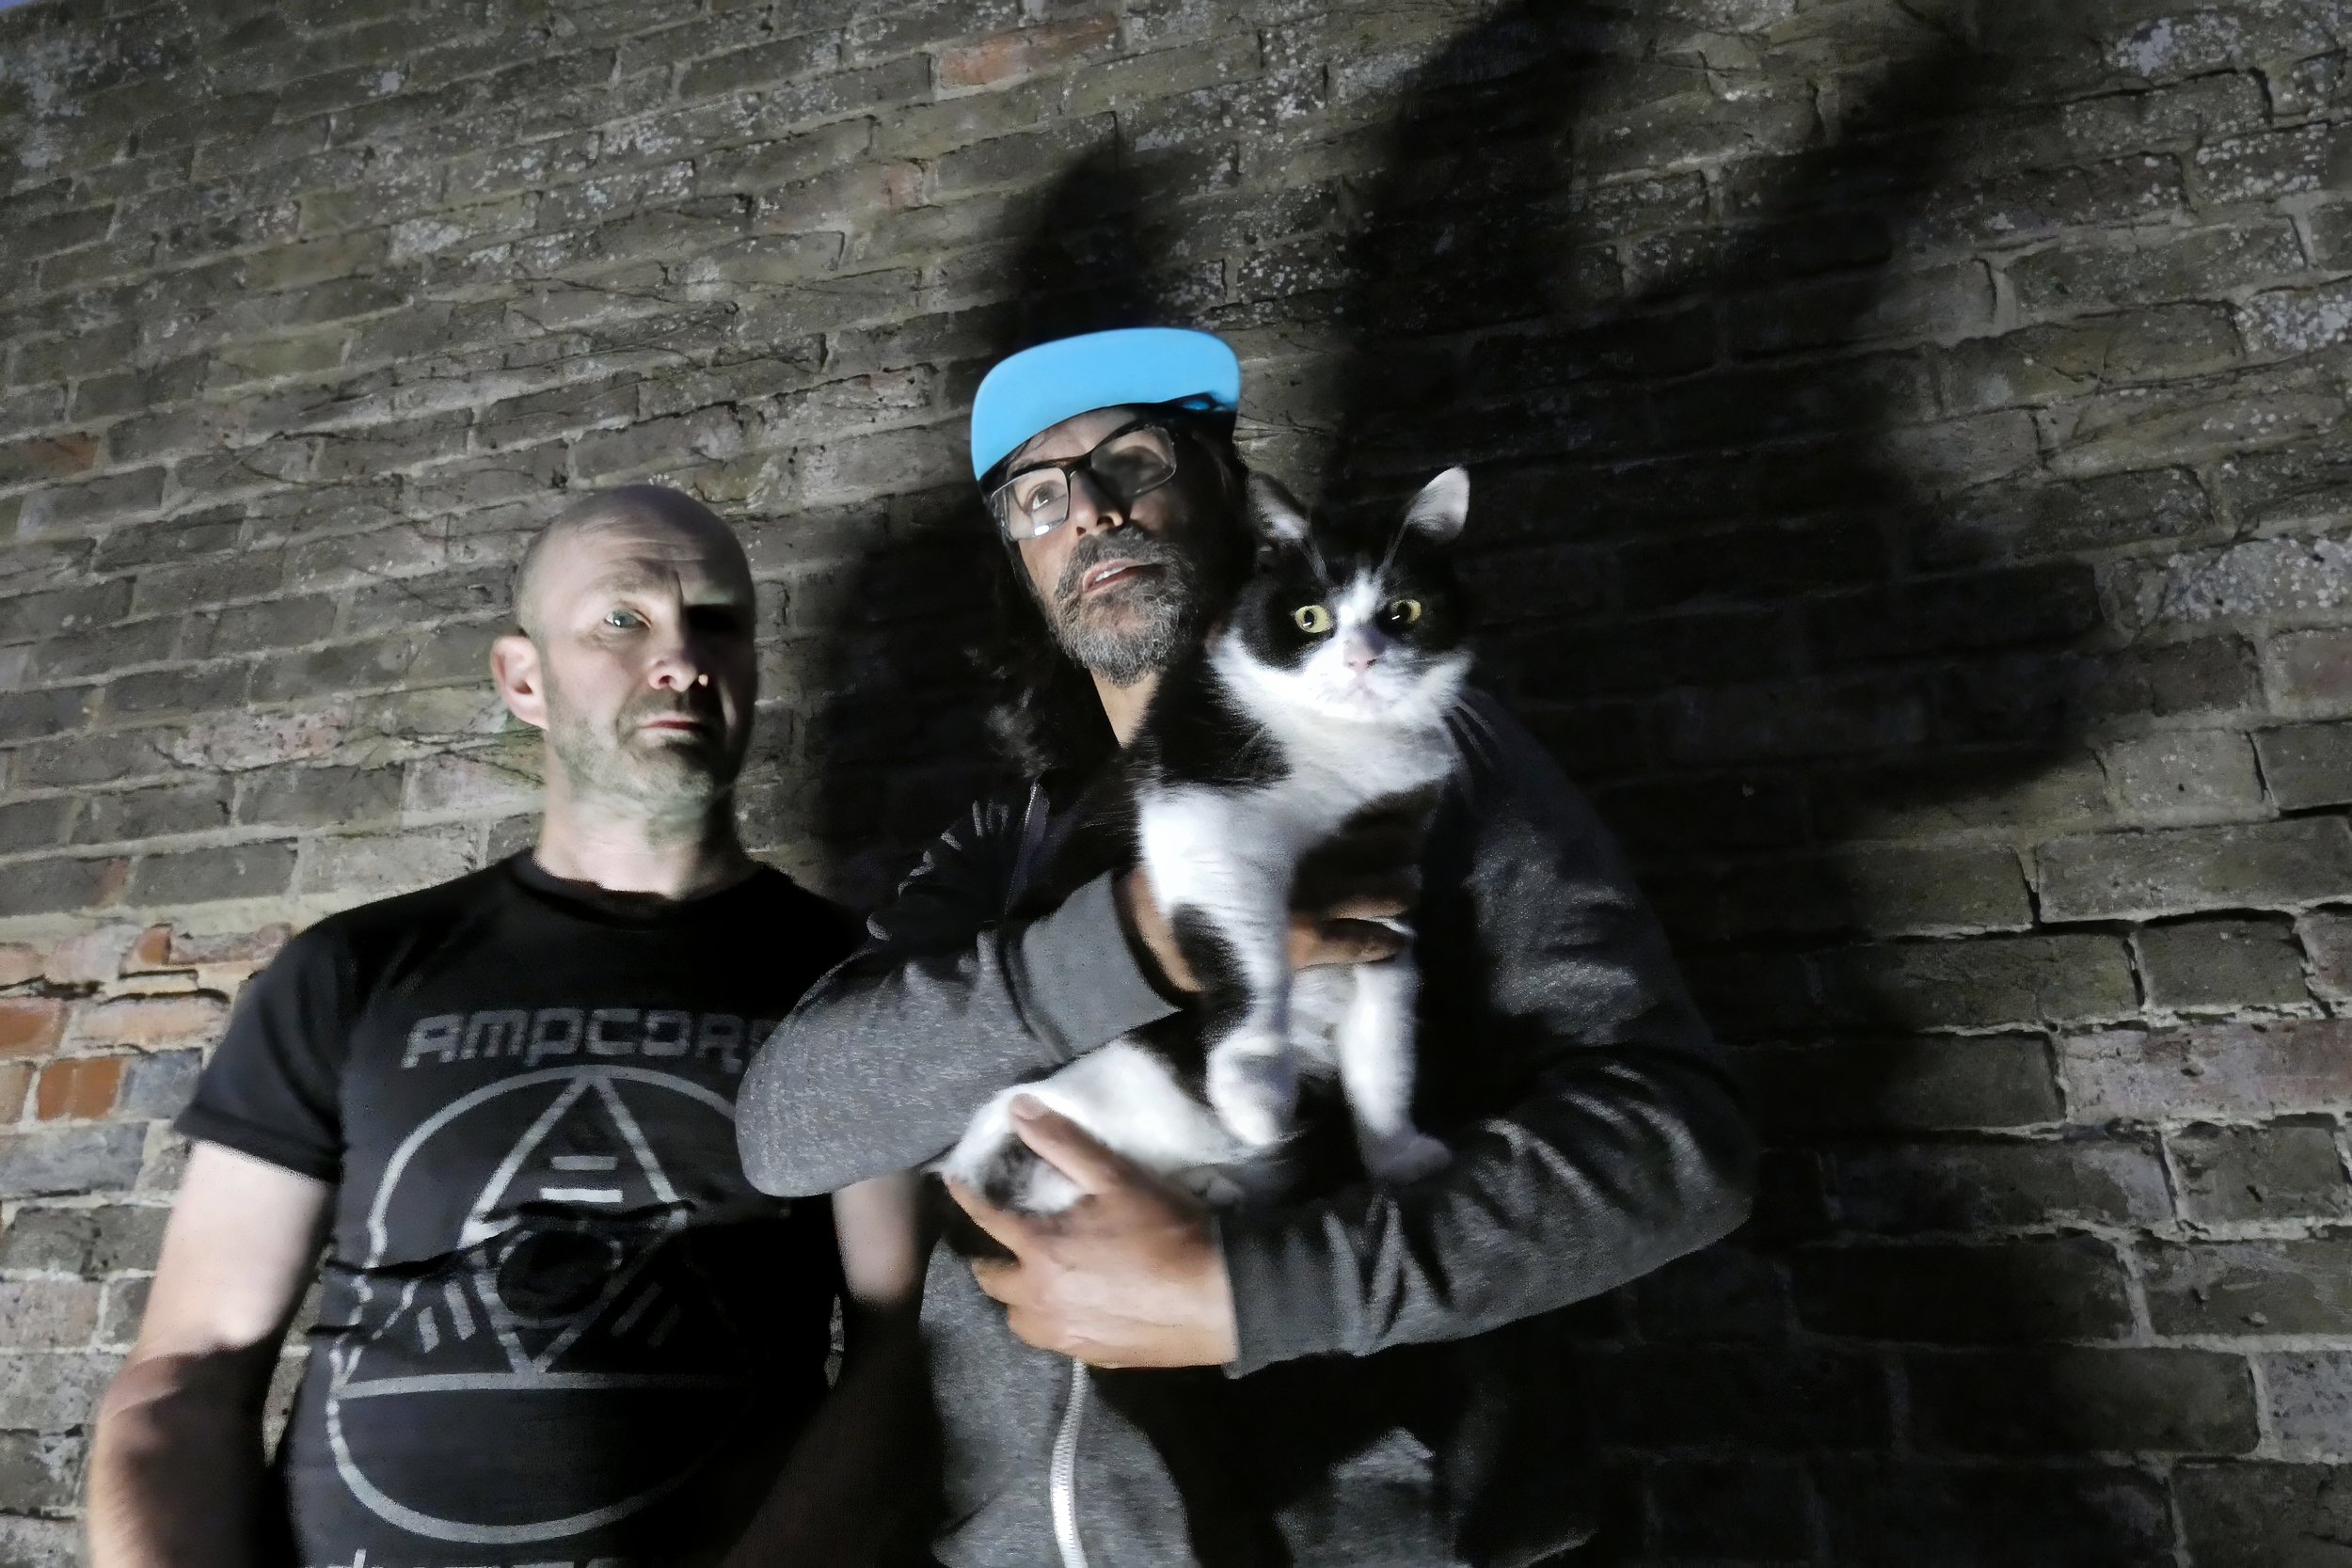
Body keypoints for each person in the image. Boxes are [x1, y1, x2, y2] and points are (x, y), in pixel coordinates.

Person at [734, 328, 1756, 1568]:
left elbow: (1677, 1143)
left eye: (1132, 459)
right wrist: (1132, 943)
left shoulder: (1419, 767)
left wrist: (1251, 1291)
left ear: (1231, 496)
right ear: (1020, 564)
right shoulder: (1006, 844)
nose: (1092, 511)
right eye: (1038, 497)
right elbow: (791, 1127)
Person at [87, 485, 920, 1568]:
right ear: (524, 677)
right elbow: (186, 1372)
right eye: (621, 619)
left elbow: (907, 1356)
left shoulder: (857, 977)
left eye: (717, 621)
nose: (681, 657)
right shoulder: (352, 969)